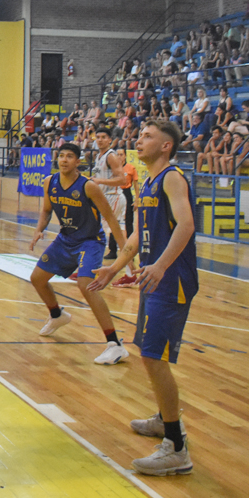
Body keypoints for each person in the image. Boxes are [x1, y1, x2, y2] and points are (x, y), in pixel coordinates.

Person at [91, 120, 199, 476]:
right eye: (141, 134)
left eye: (149, 136)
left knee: (154, 356)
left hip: (172, 279)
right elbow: (138, 235)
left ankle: (176, 447)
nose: (140, 139)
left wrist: (162, 265)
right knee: (148, 353)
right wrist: (115, 267)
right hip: (155, 276)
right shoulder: (145, 181)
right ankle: (165, 418)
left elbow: (186, 225)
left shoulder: (171, 177)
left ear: (166, 146)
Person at [28, 142, 129, 365]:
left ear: (78, 161)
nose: (64, 159)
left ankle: (114, 344)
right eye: (61, 155)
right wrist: (38, 231)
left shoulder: (88, 186)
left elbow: (111, 219)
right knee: (37, 279)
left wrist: (126, 251)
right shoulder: (49, 182)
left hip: (90, 241)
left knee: (86, 286)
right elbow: (46, 210)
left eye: (69, 156)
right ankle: (57, 315)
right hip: (65, 239)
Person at [91, 127, 127, 261]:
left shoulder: (111, 155)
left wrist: (98, 180)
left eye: (103, 137)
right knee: (120, 235)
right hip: (106, 197)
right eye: (98, 137)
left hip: (113, 197)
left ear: (110, 140)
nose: (100, 140)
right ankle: (130, 270)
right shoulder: (98, 156)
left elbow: (122, 179)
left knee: (94, 232)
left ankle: (89, 266)